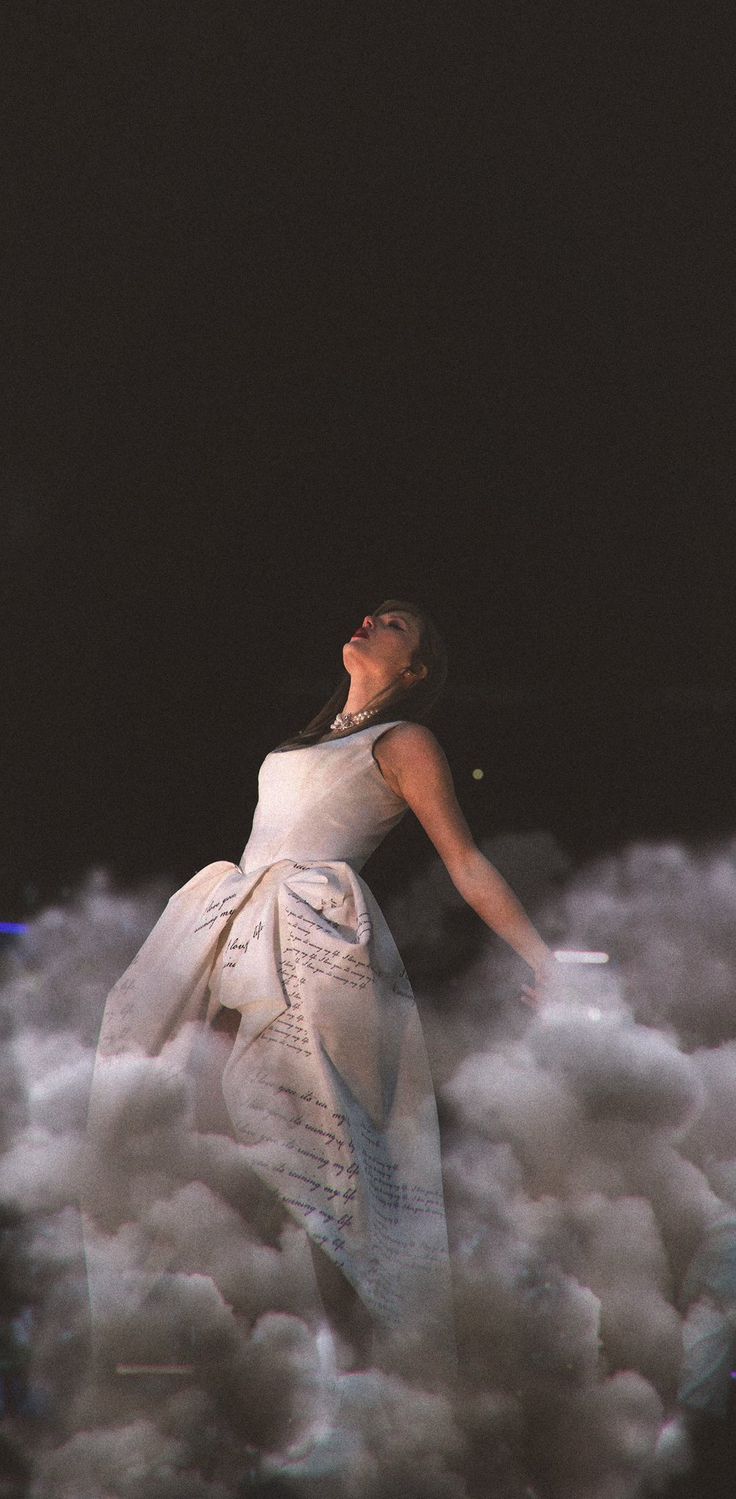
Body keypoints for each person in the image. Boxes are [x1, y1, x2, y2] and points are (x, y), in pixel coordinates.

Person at [83, 599, 553, 1388]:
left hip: (307, 937)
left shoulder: (404, 741)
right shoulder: (311, 737)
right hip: (226, 923)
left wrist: (541, 957)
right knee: (196, 1119)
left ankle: (355, 1368)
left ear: (417, 670)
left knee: (312, 1152)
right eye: (373, 613)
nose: (371, 620)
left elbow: (464, 861)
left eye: (396, 623)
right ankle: (215, 1349)